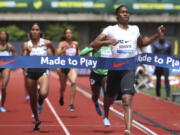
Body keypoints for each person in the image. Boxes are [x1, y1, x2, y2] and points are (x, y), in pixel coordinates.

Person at [90, 5, 165, 135]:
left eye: (127, 12)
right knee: (109, 98)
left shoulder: (135, 29)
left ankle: (128, 129)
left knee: (126, 99)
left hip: (129, 67)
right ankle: (106, 114)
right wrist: (106, 42)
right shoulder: (110, 29)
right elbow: (93, 44)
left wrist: (156, 36)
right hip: (114, 68)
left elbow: (141, 44)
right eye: (122, 12)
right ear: (117, 16)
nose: (125, 14)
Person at [22, 23, 55, 131]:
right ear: (30, 32)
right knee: (32, 99)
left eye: (37, 29)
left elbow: (53, 53)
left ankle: (41, 99)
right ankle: (37, 120)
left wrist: (52, 60)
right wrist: (27, 52)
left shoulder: (47, 43)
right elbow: (23, 59)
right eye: (33, 29)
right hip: (31, 72)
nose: (35, 31)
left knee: (44, 93)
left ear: (40, 32)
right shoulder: (26, 44)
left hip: (42, 71)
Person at [80, 45, 112, 116]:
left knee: (106, 92)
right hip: (95, 74)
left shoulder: (111, 46)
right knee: (95, 95)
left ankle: (106, 114)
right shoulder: (96, 45)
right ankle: (96, 104)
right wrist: (91, 47)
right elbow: (81, 53)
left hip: (106, 74)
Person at [56, 28, 79, 111]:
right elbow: (57, 54)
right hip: (63, 66)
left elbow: (78, 54)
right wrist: (63, 50)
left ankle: (71, 104)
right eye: (67, 33)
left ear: (72, 34)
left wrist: (78, 63)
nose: (69, 34)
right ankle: (61, 96)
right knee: (63, 87)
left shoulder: (76, 44)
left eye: (70, 33)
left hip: (72, 66)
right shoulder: (62, 43)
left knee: (73, 82)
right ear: (65, 35)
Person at [152, 33, 172, 100]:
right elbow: (153, 55)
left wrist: (170, 64)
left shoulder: (168, 44)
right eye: (160, 36)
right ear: (158, 37)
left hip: (166, 65)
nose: (161, 37)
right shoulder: (155, 44)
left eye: (162, 36)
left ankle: (168, 95)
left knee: (166, 79)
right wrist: (154, 64)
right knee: (158, 80)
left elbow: (170, 55)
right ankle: (158, 95)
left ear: (164, 36)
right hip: (158, 65)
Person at [0, 31, 16, 112]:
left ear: (7, 36)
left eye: (4, 35)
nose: (2, 36)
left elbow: (14, 54)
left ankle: (2, 105)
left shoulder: (9, 46)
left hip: (6, 67)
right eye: (1, 34)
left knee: (3, 87)